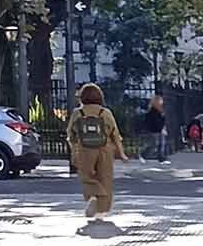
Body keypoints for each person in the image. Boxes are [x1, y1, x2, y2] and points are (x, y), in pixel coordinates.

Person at [66, 83, 126, 219]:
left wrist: (74, 152)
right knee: (105, 178)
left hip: (84, 149)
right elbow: (115, 134)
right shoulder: (105, 113)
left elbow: (71, 134)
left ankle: (94, 194)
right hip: (105, 149)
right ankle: (102, 211)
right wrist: (121, 153)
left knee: (86, 176)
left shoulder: (78, 113)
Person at [140, 95, 169, 162]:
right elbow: (153, 122)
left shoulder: (160, 110)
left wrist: (163, 128)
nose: (162, 103)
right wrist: (161, 128)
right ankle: (142, 155)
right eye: (160, 101)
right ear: (156, 102)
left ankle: (161, 158)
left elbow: (162, 121)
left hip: (160, 130)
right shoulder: (152, 111)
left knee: (162, 144)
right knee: (153, 145)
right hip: (154, 130)